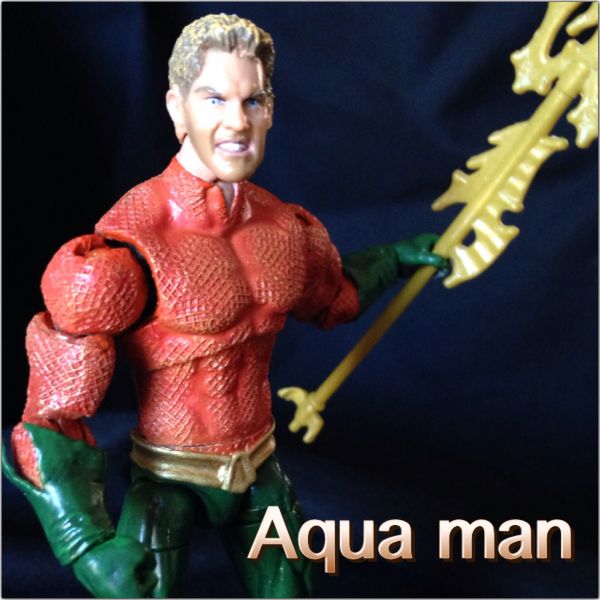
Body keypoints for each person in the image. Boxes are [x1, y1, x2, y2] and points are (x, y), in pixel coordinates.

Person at [3, 13, 447, 598]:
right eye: (214, 99)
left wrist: (394, 258)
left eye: (252, 100)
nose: (237, 122)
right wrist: (85, 544)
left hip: (259, 466)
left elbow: (336, 296)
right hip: (168, 478)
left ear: (270, 110)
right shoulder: (125, 252)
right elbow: (51, 419)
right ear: (177, 108)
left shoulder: (286, 229)